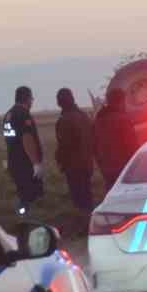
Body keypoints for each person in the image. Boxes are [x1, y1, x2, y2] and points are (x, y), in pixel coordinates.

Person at [54, 88, 96, 222]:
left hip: (73, 165)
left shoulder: (65, 120)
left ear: (60, 102)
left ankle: (83, 224)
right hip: (87, 163)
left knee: (79, 199)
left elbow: (65, 145)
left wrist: (60, 160)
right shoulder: (83, 116)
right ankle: (91, 221)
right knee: (87, 195)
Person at [1, 86, 44, 216]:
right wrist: (35, 163)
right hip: (25, 164)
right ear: (27, 99)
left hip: (14, 161)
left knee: (22, 194)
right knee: (31, 197)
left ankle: (21, 217)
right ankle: (29, 221)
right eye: (31, 99)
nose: (32, 102)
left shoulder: (8, 115)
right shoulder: (23, 114)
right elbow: (27, 139)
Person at [93, 87, 139, 189]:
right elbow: (132, 145)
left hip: (106, 167)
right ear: (121, 101)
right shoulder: (122, 119)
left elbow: (94, 144)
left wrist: (100, 163)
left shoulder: (98, 119)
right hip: (123, 167)